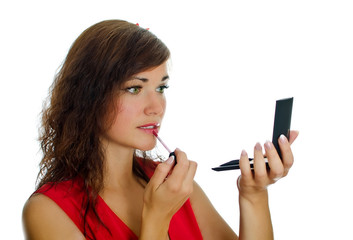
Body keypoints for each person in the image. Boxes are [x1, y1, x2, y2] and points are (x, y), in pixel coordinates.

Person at [22, 19, 298, 240]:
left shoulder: (176, 189)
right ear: (88, 96)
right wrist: (155, 219)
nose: (156, 107)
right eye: (134, 88)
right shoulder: (49, 210)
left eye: (161, 88)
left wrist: (253, 194)